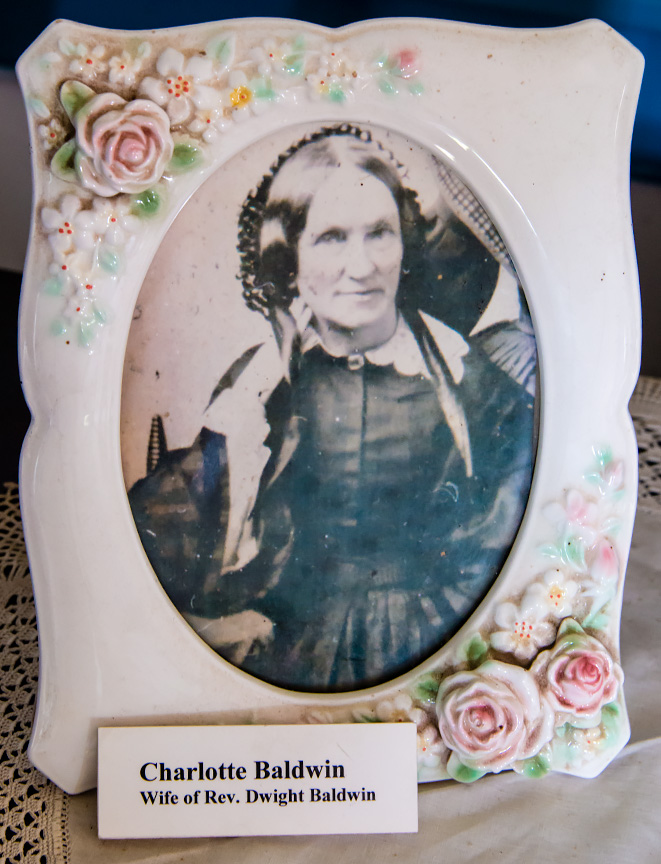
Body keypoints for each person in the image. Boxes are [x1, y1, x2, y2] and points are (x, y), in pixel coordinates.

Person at [128, 125, 537, 692]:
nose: (361, 266)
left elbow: (506, 550)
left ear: (405, 244)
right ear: (289, 258)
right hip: (289, 653)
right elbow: (173, 531)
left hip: (421, 652)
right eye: (331, 238)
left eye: (380, 234)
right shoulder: (260, 387)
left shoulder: (474, 386)